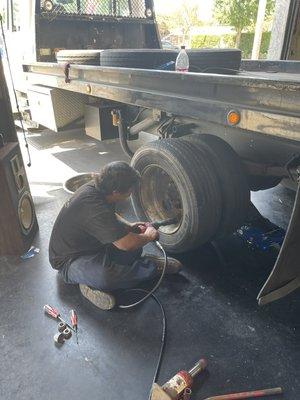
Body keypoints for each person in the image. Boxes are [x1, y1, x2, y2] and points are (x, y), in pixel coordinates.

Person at [49, 161, 182, 310]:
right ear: (116, 192)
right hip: (69, 260)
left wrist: (128, 226)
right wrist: (150, 236)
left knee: (135, 247)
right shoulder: (92, 205)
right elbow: (126, 244)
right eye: (130, 191)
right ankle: (150, 268)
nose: (131, 193)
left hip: (93, 245)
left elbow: (110, 215)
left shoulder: (100, 188)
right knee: (107, 276)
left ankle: (90, 280)